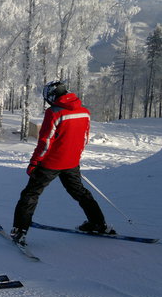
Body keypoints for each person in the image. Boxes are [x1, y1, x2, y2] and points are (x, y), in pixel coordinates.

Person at [11, 81, 110, 245]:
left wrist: (34, 162)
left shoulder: (54, 113)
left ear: (52, 96)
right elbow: (84, 138)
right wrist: (73, 156)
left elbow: (46, 141)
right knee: (80, 192)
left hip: (50, 164)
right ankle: (98, 223)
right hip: (71, 162)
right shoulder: (84, 112)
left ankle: (19, 231)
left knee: (30, 194)